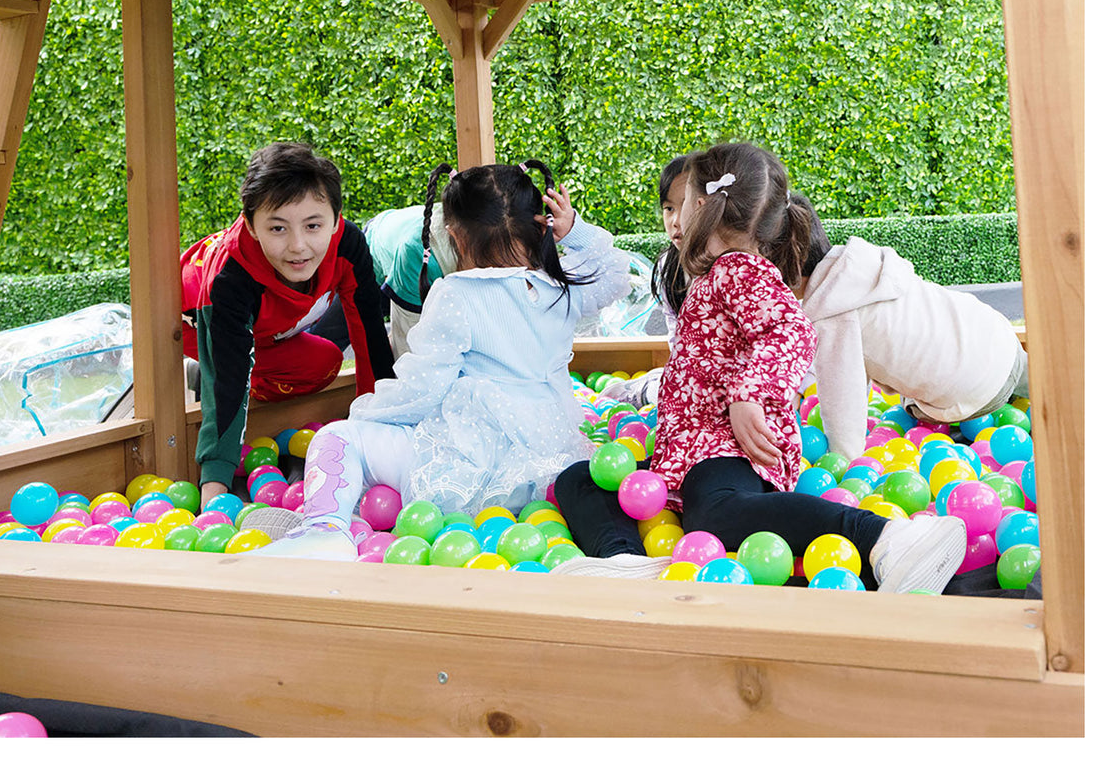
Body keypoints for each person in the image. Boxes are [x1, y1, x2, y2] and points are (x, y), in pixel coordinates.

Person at [552, 141, 967, 593]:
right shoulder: (717, 273)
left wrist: (748, 395)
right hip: (690, 455)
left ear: (703, 204)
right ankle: (625, 560)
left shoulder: (739, 270)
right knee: (580, 479)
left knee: (712, 514)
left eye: (683, 199)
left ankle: (885, 536)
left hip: (730, 448)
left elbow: (792, 331)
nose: (676, 214)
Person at [244, 159, 633, 560]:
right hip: (552, 463)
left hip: (470, 470)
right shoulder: (560, 287)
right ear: (540, 225)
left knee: (337, 437)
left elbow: (422, 387)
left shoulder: (456, 293)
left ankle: (324, 530)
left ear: (453, 236)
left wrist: (367, 414)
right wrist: (575, 230)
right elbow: (616, 272)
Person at [181, 142, 395, 505]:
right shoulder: (229, 278)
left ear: (335, 218)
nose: (298, 246)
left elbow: (370, 336)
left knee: (324, 363)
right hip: (200, 324)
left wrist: (384, 430)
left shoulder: (349, 243)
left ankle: (241, 372)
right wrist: (214, 492)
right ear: (250, 225)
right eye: (278, 228)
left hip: (272, 329)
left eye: (313, 225)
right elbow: (228, 382)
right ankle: (203, 368)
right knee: (229, 377)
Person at [793, 193, 1029, 462]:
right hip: (999, 343)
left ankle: (962, 429)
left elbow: (843, 403)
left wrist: (845, 461)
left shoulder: (832, 317)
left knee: (910, 408)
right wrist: (802, 385)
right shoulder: (865, 264)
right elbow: (826, 351)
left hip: (976, 394)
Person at [599, 152, 692, 408]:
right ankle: (644, 389)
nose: (675, 221)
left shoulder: (732, 268)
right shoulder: (669, 267)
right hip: (690, 377)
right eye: (669, 208)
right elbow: (677, 339)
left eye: (686, 206)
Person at [362, 203, 458, 357]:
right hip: (373, 251)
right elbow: (406, 349)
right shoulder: (416, 253)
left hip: (414, 263)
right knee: (336, 332)